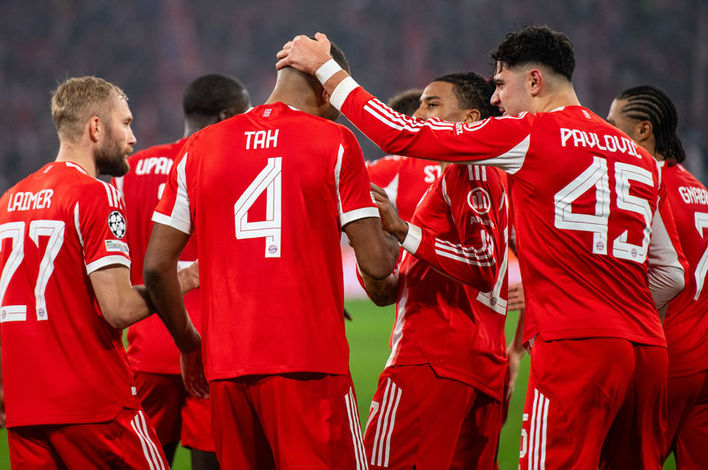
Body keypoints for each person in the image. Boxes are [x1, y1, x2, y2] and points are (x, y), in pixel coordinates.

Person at [277, 26, 687, 469]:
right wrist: (618, 314)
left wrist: (325, 67)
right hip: (648, 349)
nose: (496, 99)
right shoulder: (641, 158)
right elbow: (672, 274)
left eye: (501, 84)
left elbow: (400, 134)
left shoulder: (530, 134)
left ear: (534, 81)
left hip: (574, 345)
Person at [142, 41, 397, 469]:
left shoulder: (199, 147)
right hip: (310, 365)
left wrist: (189, 344)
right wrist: (390, 230)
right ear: (327, 89)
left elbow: (155, 266)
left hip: (227, 368)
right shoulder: (336, 140)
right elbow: (376, 264)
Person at [0, 76, 200, 468]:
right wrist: (185, 278)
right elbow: (119, 309)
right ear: (96, 127)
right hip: (96, 408)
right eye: (125, 123)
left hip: (26, 412)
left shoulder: (8, 202)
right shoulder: (94, 194)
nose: (133, 138)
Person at [359, 72, 508, 469]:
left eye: (432, 105)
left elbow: (483, 264)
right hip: (480, 366)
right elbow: (389, 290)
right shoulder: (488, 177)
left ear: (470, 119)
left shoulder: (469, 168)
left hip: (432, 358)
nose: (417, 115)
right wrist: (372, 243)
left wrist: (402, 229)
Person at [112, 73, 250, 468]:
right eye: (244, 114)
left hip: (147, 347)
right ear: (225, 116)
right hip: (213, 345)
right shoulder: (235, 167)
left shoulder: (132, 169)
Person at [607, 85, 708, 469]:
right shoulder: (698, 189)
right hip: (702, 360)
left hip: (668, 358)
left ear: (643, 130)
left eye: (613, 124)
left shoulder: (645, 188)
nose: (606, 132)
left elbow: (658, 276)